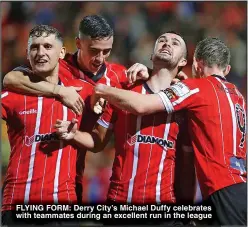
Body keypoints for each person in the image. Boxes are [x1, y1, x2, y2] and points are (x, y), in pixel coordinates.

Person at [90, 37, 247, 226]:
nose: (167, 44)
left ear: (195, 64)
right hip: (241, 187)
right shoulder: (238, 95)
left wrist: (103, 90)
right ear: (227, 69)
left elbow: (141, 105)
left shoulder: (196, 89)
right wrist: (152, 73)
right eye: (163, 41)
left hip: (220, 190)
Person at [55, 31, 196, 226]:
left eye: (175, 42)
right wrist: (74, 134)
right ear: (151, 55)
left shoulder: (186, 105)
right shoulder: (123, 94)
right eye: (161, 40)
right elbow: (98, 142)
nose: (166, 43)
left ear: (182, 61)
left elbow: (188, 167)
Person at [2, 15, 128, 204]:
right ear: (78, 43)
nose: (100, 58)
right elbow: (11, 79)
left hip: (69, 183)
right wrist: (59, 90)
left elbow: (99, 142)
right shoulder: (54, 65)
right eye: (94, 51)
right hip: (22, 193)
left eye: (106, 52)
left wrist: (148, 72)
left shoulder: (117, 78)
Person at [1, 25, 94, 226]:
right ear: (27, 53)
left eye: (47, 46)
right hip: (18, 204)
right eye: (34, 47)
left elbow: (100, 140)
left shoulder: (83, 92)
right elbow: (8, 79)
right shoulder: (13, 95)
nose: (40, 52)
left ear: (61, 52)